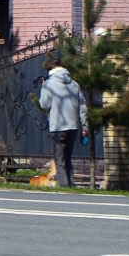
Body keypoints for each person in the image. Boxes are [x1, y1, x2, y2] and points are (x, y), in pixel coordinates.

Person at [38, 59, 89, 187]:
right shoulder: (74, 84)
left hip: (58, 126)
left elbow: (44, 105)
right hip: (73, 126)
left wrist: (43, 87)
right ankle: (71, 184)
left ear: (50, 71)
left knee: (59, 160)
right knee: (68, 158)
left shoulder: (49, 84)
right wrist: (84, 126)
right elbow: (82, 106)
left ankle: (64, 186)